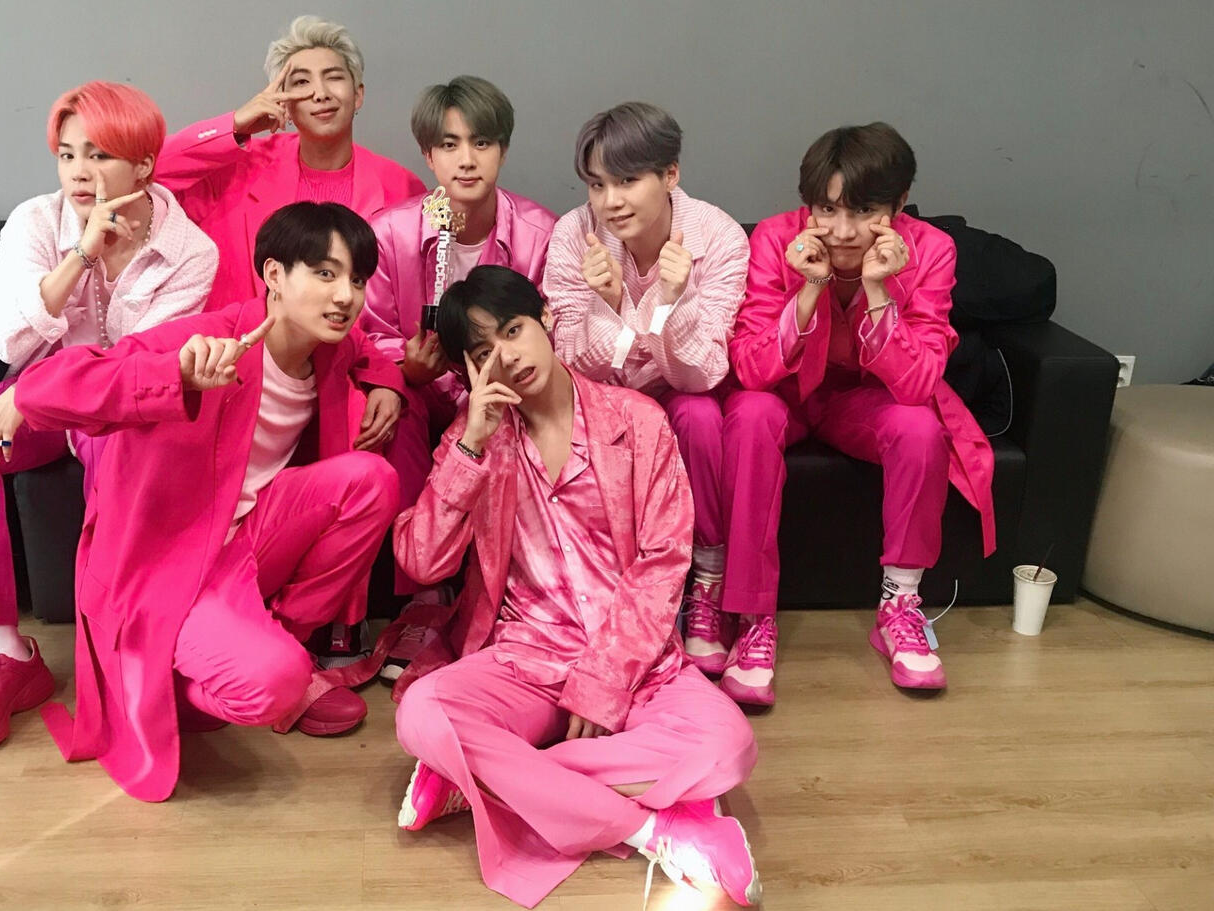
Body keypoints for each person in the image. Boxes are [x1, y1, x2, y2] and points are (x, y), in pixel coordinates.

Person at [0, 203, 403, 800]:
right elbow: (50, 386)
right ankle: (180, 682)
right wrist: (177, 378)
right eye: (324, 273)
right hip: (164, 564)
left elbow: (368, 350)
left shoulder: (326, 346)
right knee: (272, 685)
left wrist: (388, 385)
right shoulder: (206, 341)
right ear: (273, 275)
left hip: (244, 539)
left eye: (357, 279)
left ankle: (276, 641)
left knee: (372, 481)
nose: (345, 296)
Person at [390, 266, 761, 908]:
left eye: (513, 331)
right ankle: (658, 830)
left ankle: (481, 777)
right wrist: (471, 444)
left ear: (547, 319)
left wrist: (603, 680)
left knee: (728, 745)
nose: (507, 357)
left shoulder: (637, 421)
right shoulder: (473, 440)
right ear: (469, 371)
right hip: (524, 659)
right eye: (483, 352)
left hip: (635, 662)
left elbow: (663, 563)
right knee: (423, 713)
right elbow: (421, 562)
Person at [0, 81, 217, 752]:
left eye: (100, 154)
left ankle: (119, 648)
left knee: (121, 450)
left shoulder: (191, 252)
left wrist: (33, 393)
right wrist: (81, 254)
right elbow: (7, 342)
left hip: (116, 409)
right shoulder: (35, 222)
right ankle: (5, 655)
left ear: (144, 164)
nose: (80, 173)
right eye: (67, 155)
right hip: (35, 393)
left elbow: (134, 368)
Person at [720, 122, 995, 705]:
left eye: (864, 211)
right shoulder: (775, 239)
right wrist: (811, 287)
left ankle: (900, 604)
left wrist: (877, 289)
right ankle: (751, 617)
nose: (843, 232)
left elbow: (918, 384)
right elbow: (751, 368)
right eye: (827, 209)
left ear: (899, 203)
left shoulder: (930, 249)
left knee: (920, 427)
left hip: (864, 400)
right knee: (748, 413)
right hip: (786, 394)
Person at [542, 102, 749, 677]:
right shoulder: (573, 234)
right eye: (597, 185)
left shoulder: (720, 236)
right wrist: (608, 305)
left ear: (670, 174)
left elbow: (702, 373)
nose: (610, 201)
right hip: (604, 401)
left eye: (628, 180)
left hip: (682, 392)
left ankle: (706, 584)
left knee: (700, 414)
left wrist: (670, 303)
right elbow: (570, 366)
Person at [359, 75, 556, 678]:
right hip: (423, 391)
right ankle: (423, 597)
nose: (466, 160)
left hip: (507, 396)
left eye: (481, 143)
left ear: (503, 149)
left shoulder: (539, 233)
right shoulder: (390, 232)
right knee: (396, 411)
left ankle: (505, 591)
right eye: (449, 145)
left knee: (507, 426)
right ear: (428, 155)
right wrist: (403, 370)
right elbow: (367, 330)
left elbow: (547, 337)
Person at [156, 15, 425, 310]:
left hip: (355, 339)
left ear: (358, 94)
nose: (320, 94)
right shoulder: (238, 168)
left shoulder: (402, 187)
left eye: (334, 77)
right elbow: (146, 171)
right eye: (301, 82)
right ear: (283, 101)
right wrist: (234, 125)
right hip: (241, 338)